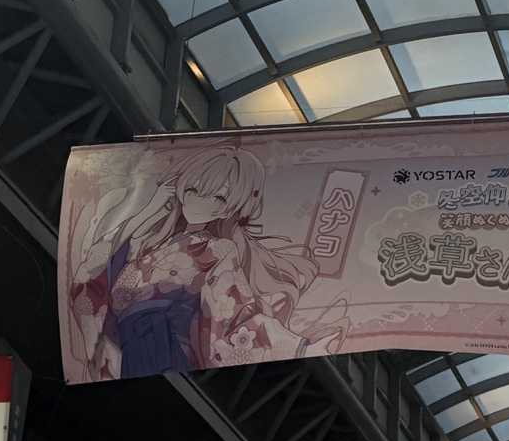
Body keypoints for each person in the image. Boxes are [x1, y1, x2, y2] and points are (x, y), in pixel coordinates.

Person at [69, 145, 343, 379]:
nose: (201, 202)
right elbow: (93, 270)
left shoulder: (217, 249)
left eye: (219, 198)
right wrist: (150, 209)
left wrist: (299, 347)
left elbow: (235, 315)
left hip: (162, 351)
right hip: (122, 348)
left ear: (232, 208)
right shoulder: (145, 238)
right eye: (193, 189)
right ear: (179, 189)